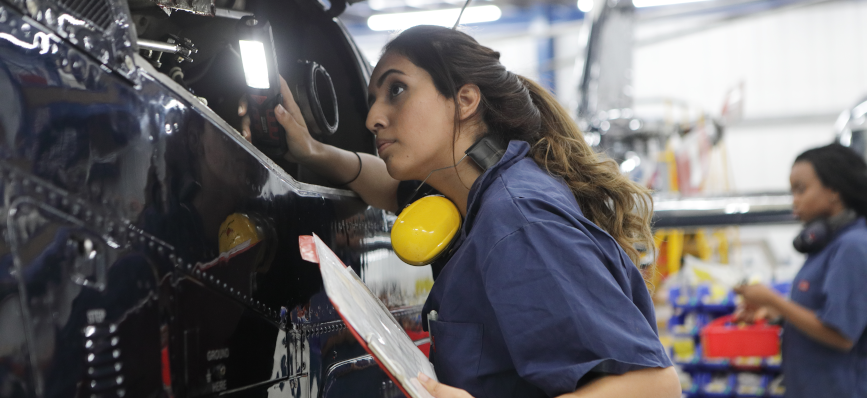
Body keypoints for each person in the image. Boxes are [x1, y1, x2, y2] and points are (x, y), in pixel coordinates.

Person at [240, 25, 680, 398]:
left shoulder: (517, 221)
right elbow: (390, 187)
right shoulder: (475, 195)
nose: (374, 116)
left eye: (397, 90)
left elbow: (653, 386)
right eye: (374, 99)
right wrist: (314, 151)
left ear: (465, 101)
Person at [734, 143, 867, 398]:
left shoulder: (853, 246)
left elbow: (841, 335)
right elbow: (819, 313)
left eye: (801, 189)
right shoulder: (829, 246)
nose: (794, 200)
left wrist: (774, 300)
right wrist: (773, 312)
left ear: (834, 191)